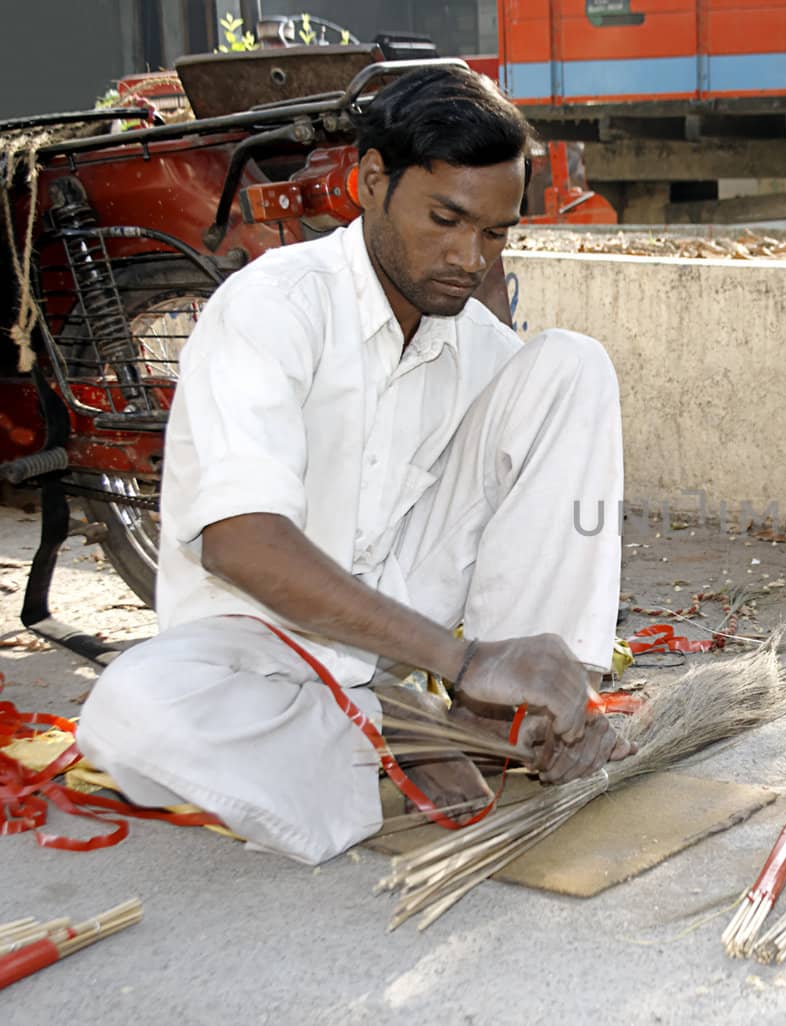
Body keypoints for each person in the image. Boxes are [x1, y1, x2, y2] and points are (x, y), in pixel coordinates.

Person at [77, 66, 630, 865]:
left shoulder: (463, 329)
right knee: (132, 713)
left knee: (571, 365)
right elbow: (240, 540)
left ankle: (510, 721)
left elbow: (534, 466)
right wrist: (461, 661)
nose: (468, 258)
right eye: (446, 219)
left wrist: (523, 670)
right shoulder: (274, 306)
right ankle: (391, 730)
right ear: (371, 181)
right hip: (258, 645)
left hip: (397, 623)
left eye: (494, 233)